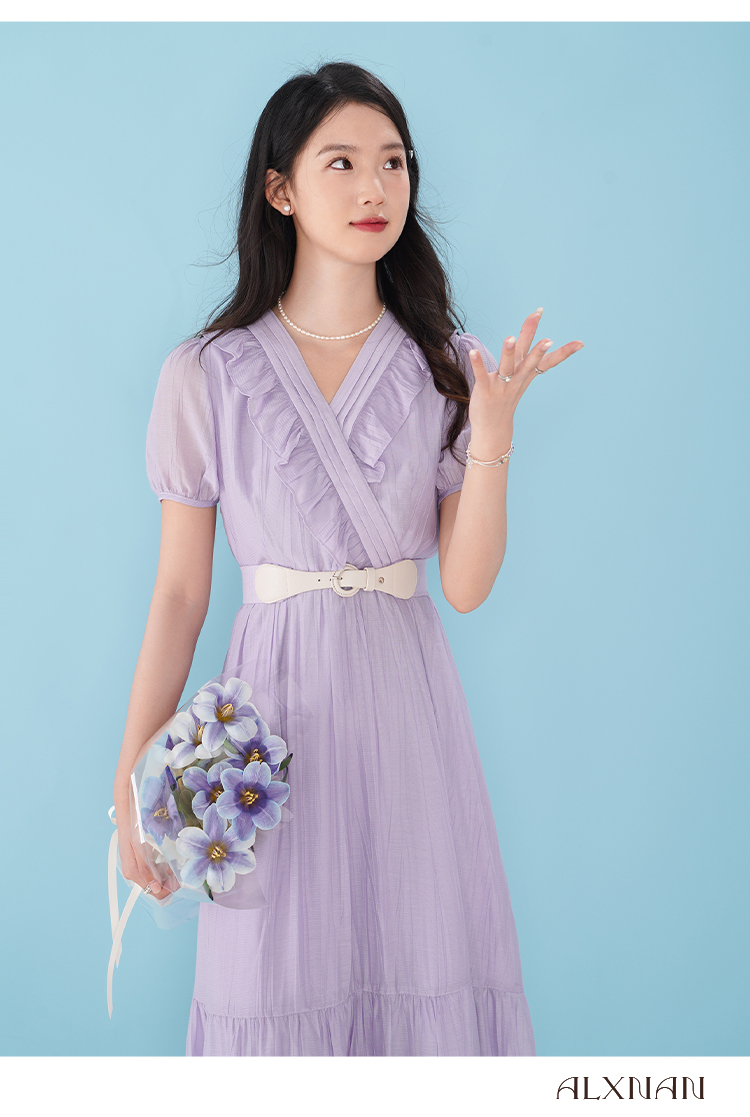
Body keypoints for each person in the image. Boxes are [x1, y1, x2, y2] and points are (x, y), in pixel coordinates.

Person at [112, 60, 583, 1057]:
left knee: (420, 964)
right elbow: (181, 592)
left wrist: (494, 432)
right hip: (270, 720)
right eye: (343, 163)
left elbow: (464, 585)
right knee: (273, 979)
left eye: (394, 163)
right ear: (280, 189)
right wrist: (132, 776)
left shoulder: (445, 366)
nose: (376, 187)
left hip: (409, 711)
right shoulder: (206, 374)